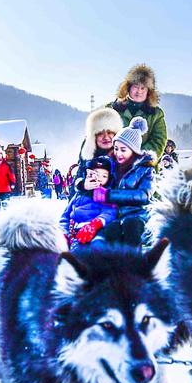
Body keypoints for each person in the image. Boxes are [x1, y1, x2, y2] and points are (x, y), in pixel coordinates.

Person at [98, 117, 156, 246]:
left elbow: (144, 195)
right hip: (117, 215)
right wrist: (82, 182)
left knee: (131, 226)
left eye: (123, 150)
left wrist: (110, 195)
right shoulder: (111, 165)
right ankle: (116, 263)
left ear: (134, 150)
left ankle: (134, 262)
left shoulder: (145, 169)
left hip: (139, 215)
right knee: (111, 230)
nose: (118, 153)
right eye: (116, 148)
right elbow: (91, 169)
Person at [105, 64, 168, 157]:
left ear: (149, 91)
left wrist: (135, 157)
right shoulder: (112, 110)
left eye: (143, 88)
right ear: (128, 87)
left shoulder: (156, 114)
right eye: (136, 86)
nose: (139, 91)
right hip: (113, 165)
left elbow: (158, 142)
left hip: (144, 167)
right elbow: (100, 137)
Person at [60, 157, 117, 247]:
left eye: (104, 176)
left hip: (91, 234)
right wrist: (64, 233)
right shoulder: (79, 194)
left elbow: (110, 212)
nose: (100, 179)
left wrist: (95, 224)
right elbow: (65, 217)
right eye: (96, 174)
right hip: (72, 233)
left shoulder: (105, 195)